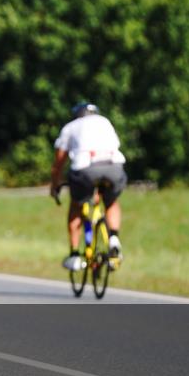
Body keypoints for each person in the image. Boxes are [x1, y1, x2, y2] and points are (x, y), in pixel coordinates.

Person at [50, 102, 127, 273]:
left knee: (76, 204)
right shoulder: (105, 122)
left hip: (85, 169)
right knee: (112, 201)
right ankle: (113, 238)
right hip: (114, 166)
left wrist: (55, 185)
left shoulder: (71, 127)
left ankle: (75, 254)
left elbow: (59, 162)